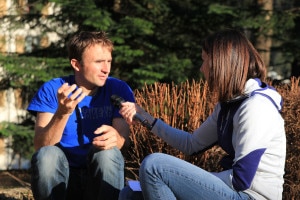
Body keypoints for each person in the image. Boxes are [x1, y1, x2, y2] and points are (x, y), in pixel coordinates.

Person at [118, 29, 286, 200]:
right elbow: (192, 144)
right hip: (234, 192)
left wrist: (185, 181)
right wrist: (147, 118)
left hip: (250, 196)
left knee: (154, 166)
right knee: (130, 194)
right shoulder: (229, 104)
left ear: (219, 64)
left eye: (204, 60)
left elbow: (241, 180)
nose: (201, 68)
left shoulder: (256, 107)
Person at [27, 31, 135, 200]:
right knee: (47, 156)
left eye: (108, 61)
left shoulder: (118, 89)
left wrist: (116, 138)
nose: (106, 69)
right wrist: (62, 113)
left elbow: (123, 140)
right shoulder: (53, 89)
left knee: (108, 153)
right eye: (99, 62)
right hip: (62, 178)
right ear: (76, 64)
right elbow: (42, 146)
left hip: (98, 179)